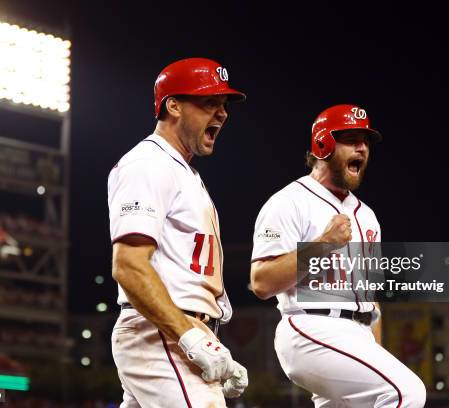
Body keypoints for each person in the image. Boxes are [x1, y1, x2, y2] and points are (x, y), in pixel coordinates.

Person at [250, 104, 426, 407]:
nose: (362, 147)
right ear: (322, 143)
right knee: (405, 393)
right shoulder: (289, 202)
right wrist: (322, 245)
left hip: (358, 334)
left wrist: (374, 350)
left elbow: (370, 300)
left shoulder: (367, 216)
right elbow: (262, 282)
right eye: (351, 139)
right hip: (310, 329)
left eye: (366, 141)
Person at [109, 58, 248, 408]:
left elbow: (184, 276)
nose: (222, 113)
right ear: (172, 105)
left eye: (223, 105)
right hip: (161, 334)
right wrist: (190, 336)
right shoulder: (148, 164)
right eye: (209, 102)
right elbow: (128, 265)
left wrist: (209, 339)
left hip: (173, 331)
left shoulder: (184, 172)